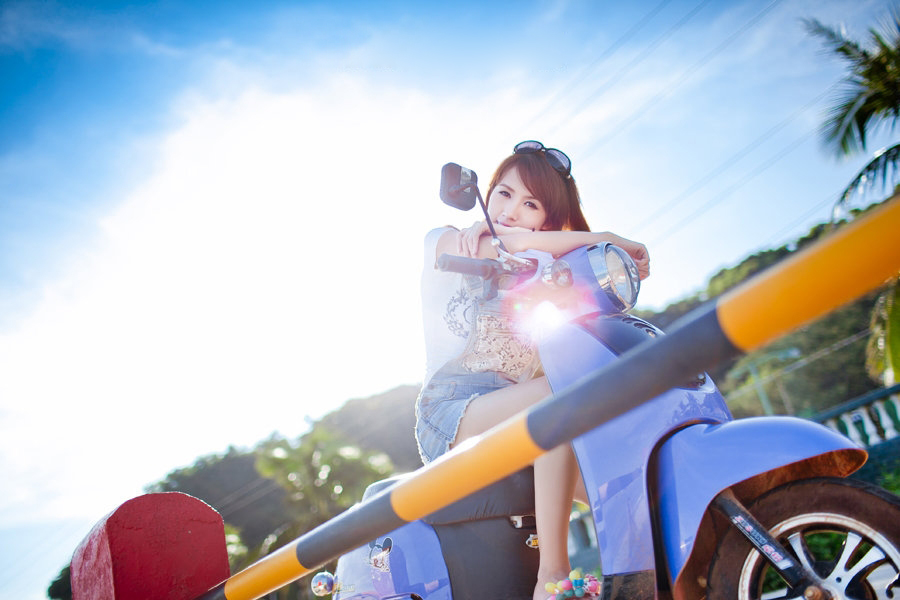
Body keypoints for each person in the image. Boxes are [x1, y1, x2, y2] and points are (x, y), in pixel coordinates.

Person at [414, 140, 650, 600]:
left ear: (547, 220)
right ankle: (552, 579)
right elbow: (507, 242)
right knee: (559, 394)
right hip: (450, 415)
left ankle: (646, 581)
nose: (510, 210)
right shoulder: (446, 240)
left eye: (530, 204)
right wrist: (603, 237)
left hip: (524, 422)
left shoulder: (541, 272)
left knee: (625, 481)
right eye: (502, 193)